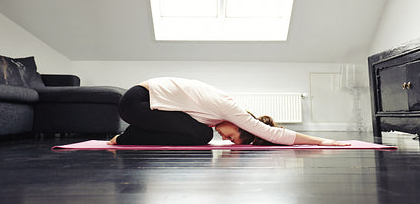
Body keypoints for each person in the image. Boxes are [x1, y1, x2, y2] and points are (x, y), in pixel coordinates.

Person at [107, 77, 350, 147]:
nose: (225, 139)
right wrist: (321, 141)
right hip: (136, 101)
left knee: (201, 133)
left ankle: (134, 132)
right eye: (231, 137)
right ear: (239, 125)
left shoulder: (214, 116)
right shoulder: (231, 109)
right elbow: (273, 134)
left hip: (144, 106)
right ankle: (127, 138)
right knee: (201, 136)